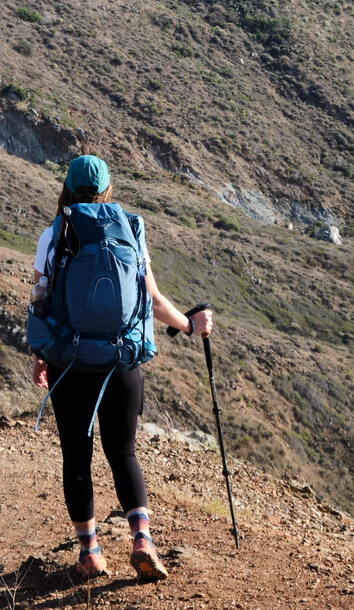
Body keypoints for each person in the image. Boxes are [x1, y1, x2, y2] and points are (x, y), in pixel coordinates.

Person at [26, 154, 214, 582]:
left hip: (70, 362)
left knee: (77, 454)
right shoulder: (130, 227)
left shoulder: (54, 233)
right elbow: (153, 299)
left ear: (67, 188)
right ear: (107, 189)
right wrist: (189, 325)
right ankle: (142, 541)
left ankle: (90, 552)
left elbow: (40, 301)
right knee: (123, 452)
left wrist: (40, 353)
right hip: (121, 360)